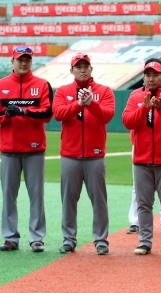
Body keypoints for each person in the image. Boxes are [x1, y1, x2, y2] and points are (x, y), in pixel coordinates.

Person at [52, 53, 115, 255]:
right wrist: (78, 104)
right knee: (68, 200)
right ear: (71, 70)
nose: (82, 69)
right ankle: (69, 239)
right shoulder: (63, 91)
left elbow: (107, 116)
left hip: (95, 155)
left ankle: (101, 240)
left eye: (85, 66)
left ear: (91, 69)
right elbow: (58, 114)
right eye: (78, 67)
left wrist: (91, 103)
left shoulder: (104, 91)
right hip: (70, 155)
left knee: (99, 200)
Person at [122, 59, 161, 256]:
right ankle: (145, 242)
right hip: (141, 159)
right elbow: (127, 121)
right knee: (143, 204)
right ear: (143, 77)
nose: (151, 78)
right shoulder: (135, 97)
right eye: (148, 74)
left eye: (155, 74)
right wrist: (144, 107)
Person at [0, 46, 53, 252]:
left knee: (36, 194)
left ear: (31, 62)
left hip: (34, 149)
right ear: (12, 61)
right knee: (8, 195)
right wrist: (7, 115)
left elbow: (47, 113)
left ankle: (37, 237)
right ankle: (10, 237)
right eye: (20, 60)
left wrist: (22, 111)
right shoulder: (2, 85)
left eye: (27, 60)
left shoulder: (41, 85)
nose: (24, 63)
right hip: (9, 149)